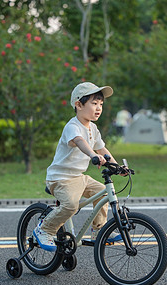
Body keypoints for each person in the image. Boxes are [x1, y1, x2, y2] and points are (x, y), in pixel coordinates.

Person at [33, 82, 124, 252]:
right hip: (59, 178)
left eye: (101, 104)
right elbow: (80, 142)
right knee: (70, 205)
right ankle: (44, 230)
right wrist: (92, 156)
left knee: (102, 192)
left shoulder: (93, 128)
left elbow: (102, 149)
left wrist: (117, 167)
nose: (98, 108)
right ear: (79, 104)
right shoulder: (72, 126)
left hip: (78, 177)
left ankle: (99, 231)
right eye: (94, 103)